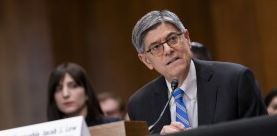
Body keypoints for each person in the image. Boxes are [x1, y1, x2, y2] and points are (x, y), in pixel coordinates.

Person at [127, 10, 267, 134]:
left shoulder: (235, 80)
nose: (168, 50)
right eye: (156, 47)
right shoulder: (139, 104)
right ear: (146, 60)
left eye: (172, 39)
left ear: (187, 38)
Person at [47, 62, 119, 127]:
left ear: (87, 93)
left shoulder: (112, 125)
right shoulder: (46, 132)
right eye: (59, 89)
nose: (65, 94)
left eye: (73, 86)